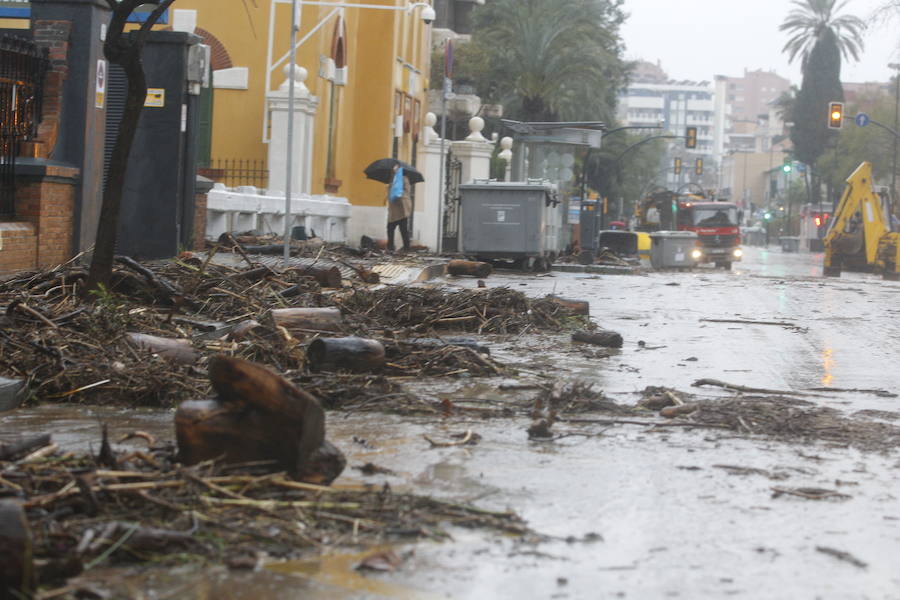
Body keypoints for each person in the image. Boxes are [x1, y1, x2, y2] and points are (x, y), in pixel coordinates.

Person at [386, 164, 412, 252]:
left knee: (403, 229)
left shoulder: (404, 179)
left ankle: (407, 247)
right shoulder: (392, 180)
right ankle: (390, 246)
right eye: (393, 169)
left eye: (396, 169)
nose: (394, 171)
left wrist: (399, 194)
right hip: (393, 209)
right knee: (390, 228)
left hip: (402, 208)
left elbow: (406, 192)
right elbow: (390, 191)